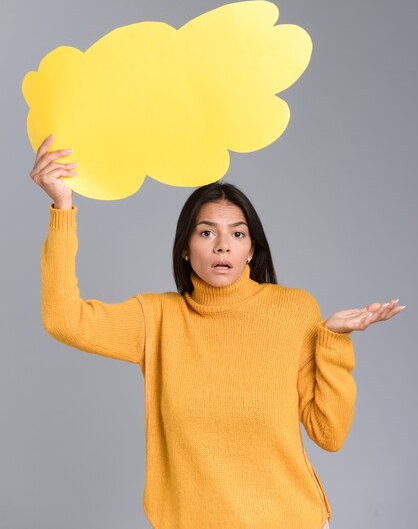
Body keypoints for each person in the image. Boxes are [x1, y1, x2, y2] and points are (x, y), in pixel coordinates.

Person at [30, 133, 405, 529]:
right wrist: (63, 206)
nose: (223, 245)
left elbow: (329, 434)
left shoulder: (293, 311)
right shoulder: (157, 319)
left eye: (237, 234)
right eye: (207, 232)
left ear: (251, 250)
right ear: (185, 248)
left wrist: (331, 341)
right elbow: (63, 320)